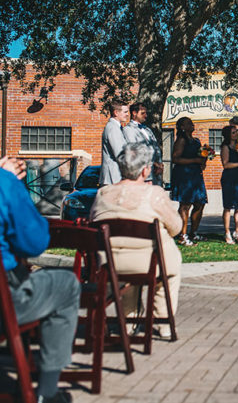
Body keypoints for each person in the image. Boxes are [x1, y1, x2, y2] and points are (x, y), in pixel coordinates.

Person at [0, 156, 80, 403]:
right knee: (66, 285)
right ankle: (46, 391)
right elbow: (34, 242)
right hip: (5, 302)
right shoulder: (4, 183)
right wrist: (8, 180)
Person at [89, 142, 182, 339]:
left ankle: (128, 322)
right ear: (145, 170)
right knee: (169, 266)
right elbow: (176, 227)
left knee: (126, 270)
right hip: (149, 263)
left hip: (109, 263)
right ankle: (163, 322)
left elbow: (92, 223)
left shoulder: (102, 194)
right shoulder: (154, 194)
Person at [170, 117, 208, 246]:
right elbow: (175, 159)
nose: (192, 124)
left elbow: (199, 156)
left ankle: (193, 232)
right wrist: (194, 161)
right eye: (188, 123)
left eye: (192, 122)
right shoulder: (181, 140)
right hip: (184, 175)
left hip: (196, 175)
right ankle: (182, 235)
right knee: (185, 205)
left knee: (199, 203)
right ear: (182, 127)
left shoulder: (196, 141)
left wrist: (203, 159)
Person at [122, 102, 164, 186]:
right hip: (142, 173)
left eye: (146, 113)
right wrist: (153, 164)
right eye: (143, 113)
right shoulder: (128, 129)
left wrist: (159, 163)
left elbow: (156, 147)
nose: (146, 115)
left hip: (155, 174)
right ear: (134, 113)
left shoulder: (147, 129)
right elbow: (135, 150)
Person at [99, 100, 129, 185]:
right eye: (125, 112)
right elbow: (119, 153)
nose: (127, 114)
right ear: (116, 112)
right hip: (113, 177)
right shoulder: (113, 128)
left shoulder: (116, 127)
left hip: (114, 177)